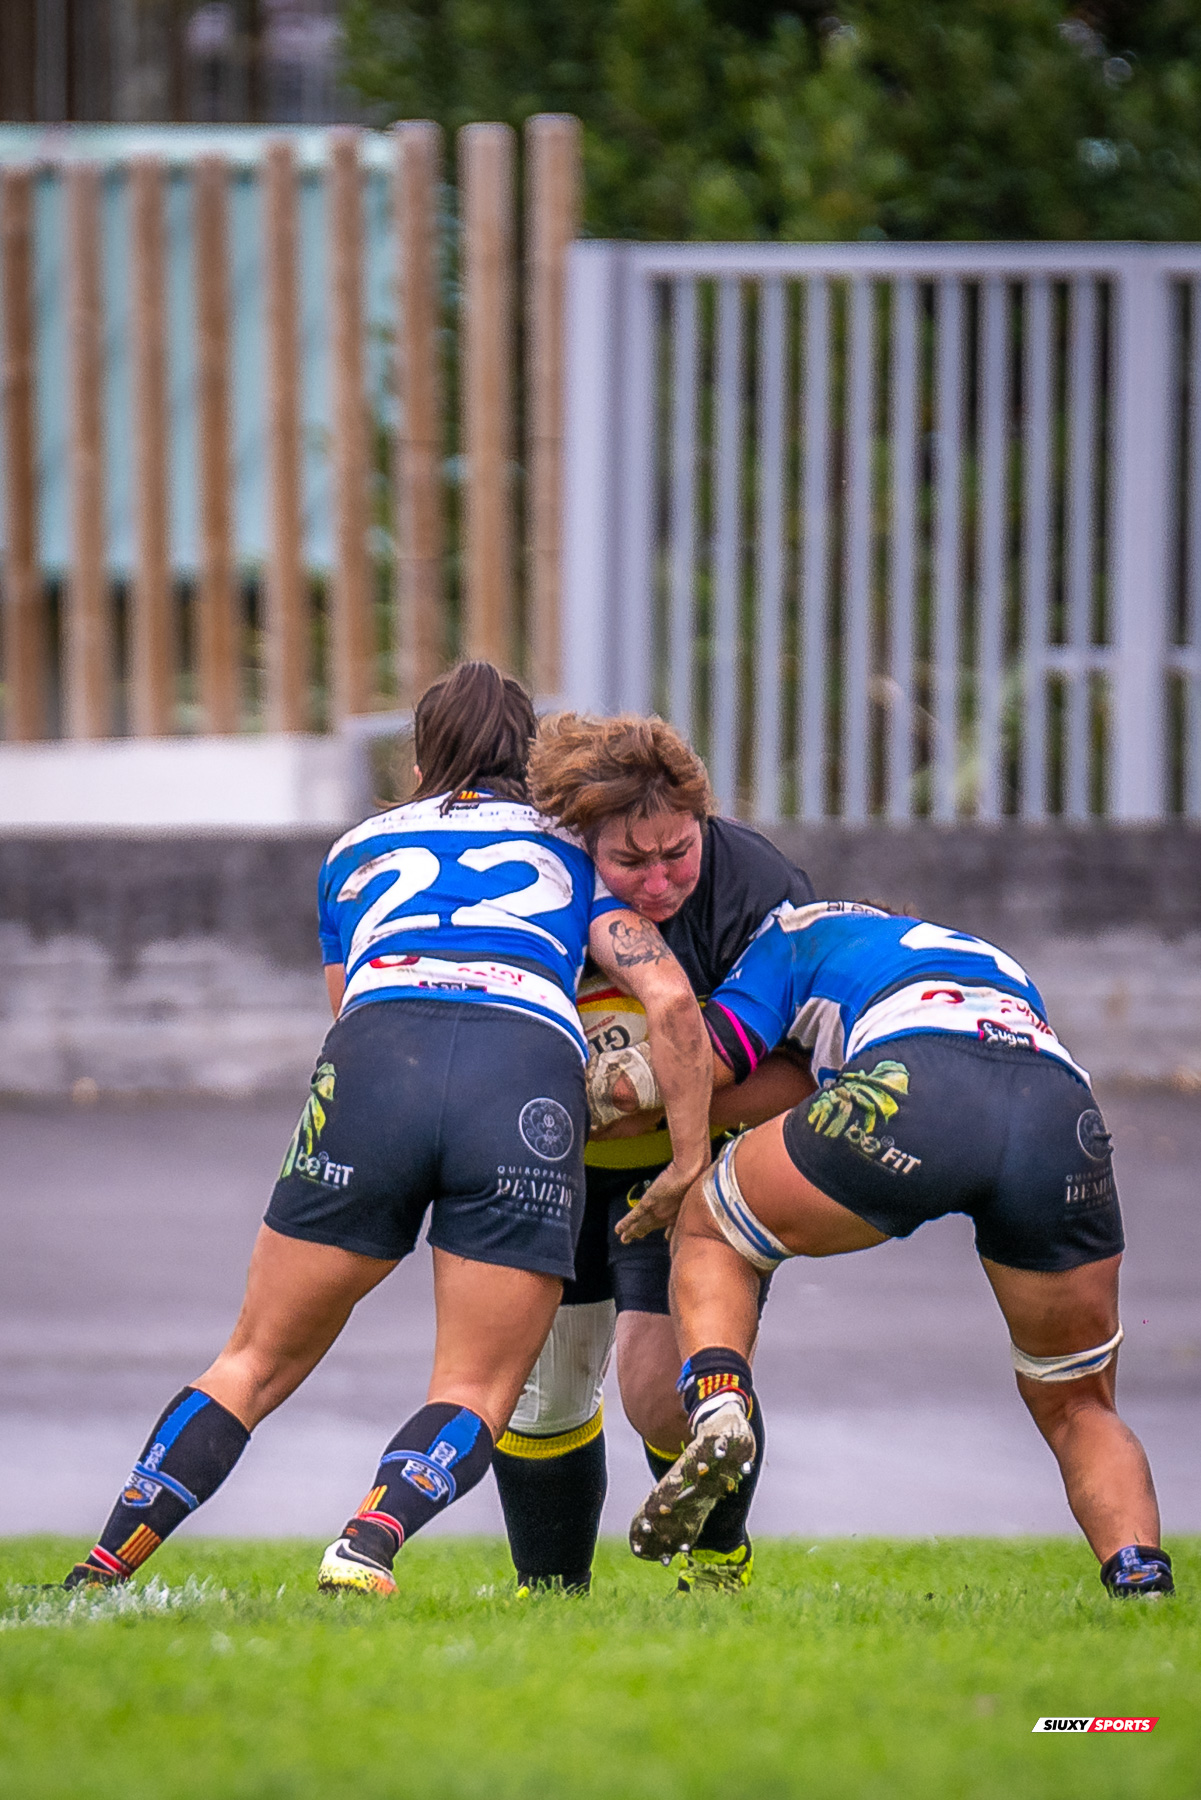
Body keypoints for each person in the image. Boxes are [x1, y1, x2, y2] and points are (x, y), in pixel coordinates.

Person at [61, 662, 712, 1597]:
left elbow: (345, 1006)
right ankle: (370, 1539)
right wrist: (686, 1156)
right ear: (530, 761)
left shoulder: (354, 850)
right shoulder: (573, 851)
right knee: (478, 1390)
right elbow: (670, 1002)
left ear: (419, 757)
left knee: (249, 1360)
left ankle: (103, 1563)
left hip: (375, 1065)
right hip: (520, 1078)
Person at [613, 898, 1174, 1599]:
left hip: (920, 1086)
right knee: (1077, 1403)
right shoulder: (973, 950)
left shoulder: (789, 936)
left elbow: (706, 1058)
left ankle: (720, 1405)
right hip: (1058, 1112)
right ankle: (1139, 1576)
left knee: (710, 1223)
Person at [489, 712, 816, 1596]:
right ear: (573, 838)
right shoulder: (530, 878)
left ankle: (719, 1559)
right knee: (541, 1392)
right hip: (549, 1165)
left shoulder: (758, 890)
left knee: (657, 1390)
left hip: (688, 1170)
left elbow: (799, 1075)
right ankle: (548, 1598)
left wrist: (650, 1103)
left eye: (678, 850)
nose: (662, 879)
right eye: (630, 863)